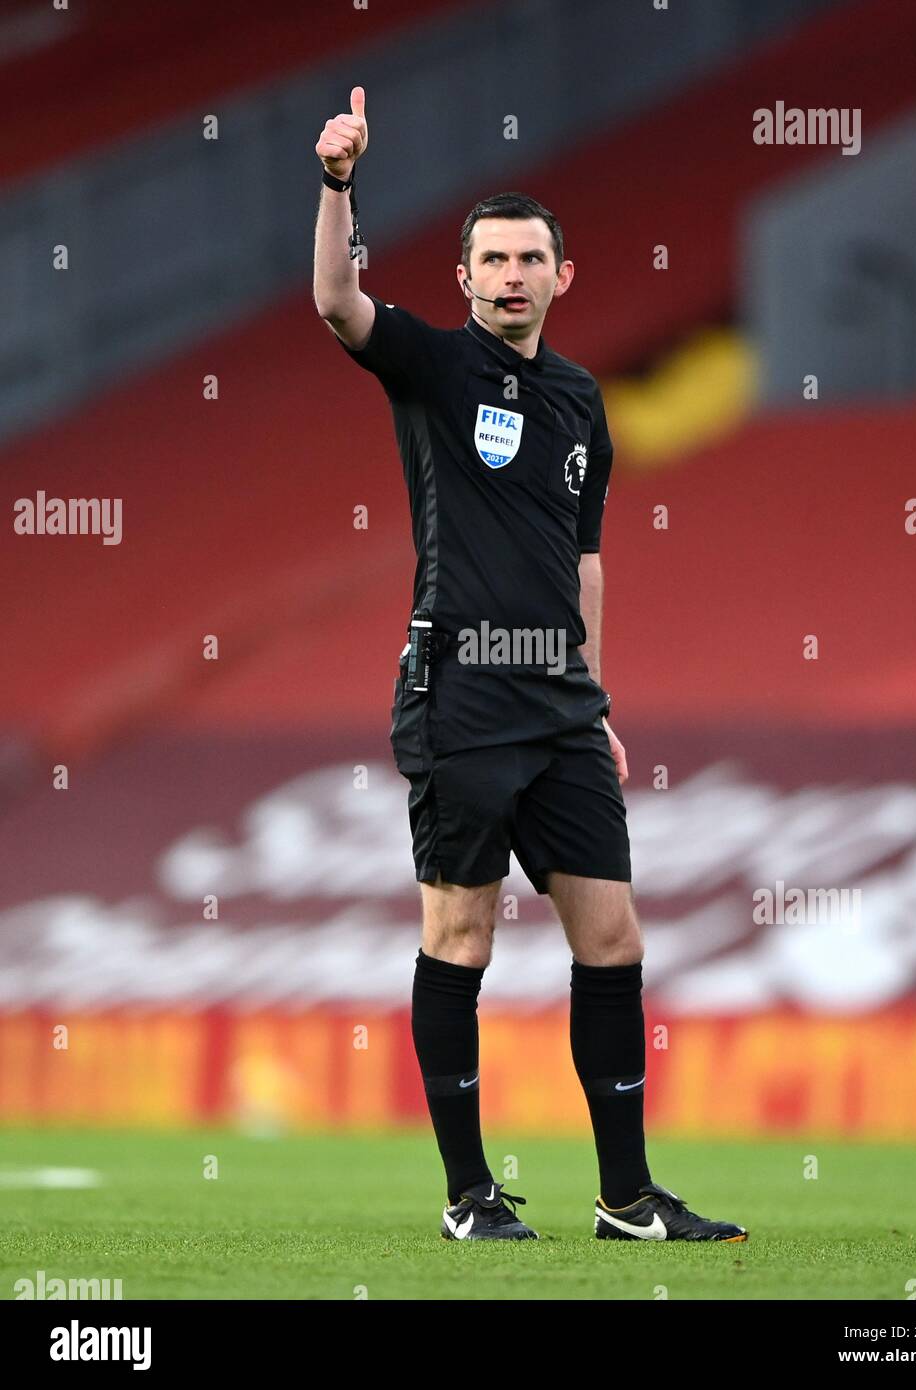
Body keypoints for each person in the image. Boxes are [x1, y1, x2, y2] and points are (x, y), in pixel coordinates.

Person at [312, 88, 747, 1244]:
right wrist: (340, 183)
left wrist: (596, 697)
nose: (511, 273)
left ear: (565, 276)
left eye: (530, 257)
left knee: (613, 939)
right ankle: (468, 1197)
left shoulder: (579, 401)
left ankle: (627, 1201)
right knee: (462, 937)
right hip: (461, 692)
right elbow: (337, 300)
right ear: (463, 278)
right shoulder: (434, 369)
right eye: (492, 258)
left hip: (561, 707)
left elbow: (586, 557)